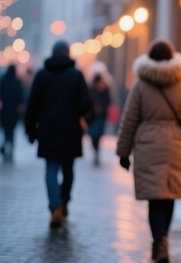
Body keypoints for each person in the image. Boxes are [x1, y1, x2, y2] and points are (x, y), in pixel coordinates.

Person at [116, 39, 181, 263]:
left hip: (148, 145)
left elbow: (129, 120)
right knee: (169, 196)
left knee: (155, 199)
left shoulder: (140, 85)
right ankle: (163, 240)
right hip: (176, 146)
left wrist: (123, 152)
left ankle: (159, 241)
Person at [24, 41, 93, 228]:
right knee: (68, 170)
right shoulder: (76, 76)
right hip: (71, 131)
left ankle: (55, 206)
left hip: (48, 131)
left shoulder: (42, 75)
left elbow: (32, 106)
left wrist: (30, 130)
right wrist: (85, 117)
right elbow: (87, 104)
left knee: (51, 169)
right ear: (68, 54)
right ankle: (63, 202)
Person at [87, 63, 113, 165]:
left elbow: (108, 101)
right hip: (94, 115)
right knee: (94, 135)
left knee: (96, 135)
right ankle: (96, 151)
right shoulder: (90, 87)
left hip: (99, 116)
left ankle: (96, 152)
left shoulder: (105, 87)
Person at [0, 64, 24, 163]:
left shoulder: (2, 82)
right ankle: (10, 153)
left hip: (4, 112)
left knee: (6, 133)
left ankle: (4, 149)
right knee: (11, 133)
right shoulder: (17, 82)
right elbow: (21, 97)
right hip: (14, 113)